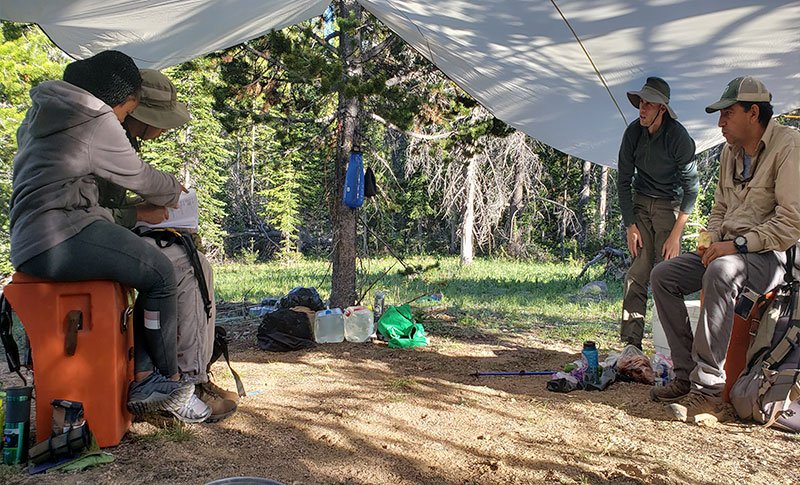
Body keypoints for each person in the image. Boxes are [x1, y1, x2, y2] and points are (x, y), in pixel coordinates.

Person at [10, 50, 209, 423]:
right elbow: (140, 176)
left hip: (32, 236)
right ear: (117, 100)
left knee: (145, 272)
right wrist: (175, 191)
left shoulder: (50, 108)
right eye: (125, 110)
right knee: (161, 272)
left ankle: (145, 374)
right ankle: (165, 383)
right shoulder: (95, 118)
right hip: (62, 234)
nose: (123, 120)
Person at [649, 76, 800, 422]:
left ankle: (709, 391)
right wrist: (711, 240)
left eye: (727, 114)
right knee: (663, 275)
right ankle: (685, 376)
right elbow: (719, 210)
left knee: (721, 271)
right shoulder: (729, 153)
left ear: (753, 113)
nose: (720, 123)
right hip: (730, 249)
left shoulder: (789, 147)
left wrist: (736, 246)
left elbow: (791, 223)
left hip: (771, 256)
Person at [98, 68, 238, 422]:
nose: (163, 131)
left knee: (197, 262)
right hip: (93, 239)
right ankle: (182, 383)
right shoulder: (105, 136)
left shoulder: (122, 138)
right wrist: (140, 214)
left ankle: (196, 374)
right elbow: (90, 212)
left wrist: (142, 213)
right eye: (160, 121)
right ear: (139, 115)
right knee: (180, 265)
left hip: (106, 234)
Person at [617, 77, 699, 349]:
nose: (642, 109)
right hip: (641, 204)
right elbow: (623, 181)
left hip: (669, 206)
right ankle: (631, 344)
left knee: (666, 274)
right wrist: (630, 225)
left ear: (662, 109)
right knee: (637, 273)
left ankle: (674, 346)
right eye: (641, 102)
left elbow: (691, 190)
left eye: (649, 104)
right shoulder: (633, 134)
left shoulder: (678, 138)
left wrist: (677, 234)